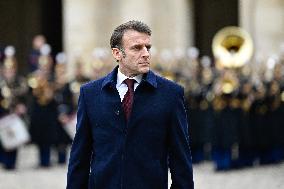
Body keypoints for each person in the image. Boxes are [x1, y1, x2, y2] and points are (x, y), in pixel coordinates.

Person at [66, 20, 194, 189]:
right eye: (137, 48)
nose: (146, 53)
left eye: (148, 47)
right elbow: (79, 156)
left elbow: (181, 159)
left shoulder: (170, 94)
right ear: (117, 53)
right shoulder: (90, 94)